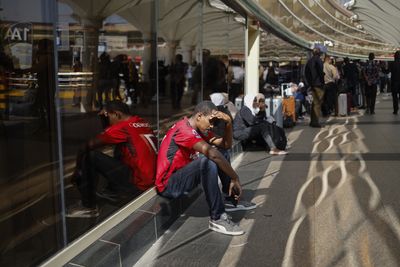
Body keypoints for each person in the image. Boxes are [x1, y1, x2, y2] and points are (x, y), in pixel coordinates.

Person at [156, 101, 256, 236]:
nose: (212, 126)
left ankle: (228, 197)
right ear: (199, 116)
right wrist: (234, 177)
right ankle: (217, 218)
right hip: (169, 185)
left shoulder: (199, 129)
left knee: (221, 153)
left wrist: (228, 124)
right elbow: (213, 155)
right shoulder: (184, 130)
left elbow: (225, 145)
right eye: (210, 121)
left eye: (214, 122)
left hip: (184, 177)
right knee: (208, 159)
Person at [67, 100, 157, 218]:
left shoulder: (122, 127)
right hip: (151, 180)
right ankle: (115, 190)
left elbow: (86, 146)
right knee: (122, 148)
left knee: (91, 156)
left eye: (106, 116)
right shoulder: (141, 122)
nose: (105, 120)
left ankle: (88, 207)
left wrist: (77, 171)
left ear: (117, 114)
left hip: (139, 184)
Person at [305, 47, 325, 127]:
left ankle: (313, 121)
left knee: (314, 102)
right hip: (318, 84)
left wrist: (310, 83)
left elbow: (306, 73)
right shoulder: (318, 60)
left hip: (312, 84)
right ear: (319, 53)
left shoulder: (309, 61)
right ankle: (316, 122)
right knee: (318, 103)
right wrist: (322, 81)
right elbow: (320, 71)